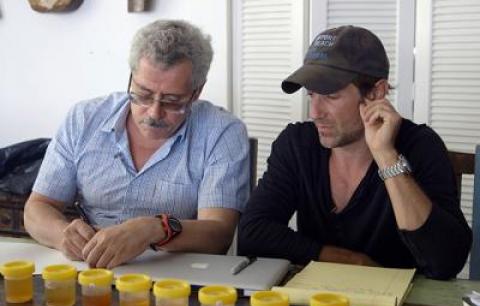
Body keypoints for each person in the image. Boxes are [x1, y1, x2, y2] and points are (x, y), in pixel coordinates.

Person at [238, 25, 472, 279]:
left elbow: (446, 262)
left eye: (330, 96)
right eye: (311, 95)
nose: (315, 112)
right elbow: (252, 235)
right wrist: (349, 260)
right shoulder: (297, 144)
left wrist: (385, 155)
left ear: (375, 93)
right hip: (321, 303)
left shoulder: (420, 146)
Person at [24, 20, 250, 269]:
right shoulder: (84, 119)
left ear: (196, 92)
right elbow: (37, 208)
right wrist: (62, 234)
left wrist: (154, 228)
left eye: (172, 101)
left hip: (175, 277)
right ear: (131, 77)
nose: (153, 112)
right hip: (89, 269)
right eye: (142, 94)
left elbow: (218, 234)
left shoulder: (222, 132)